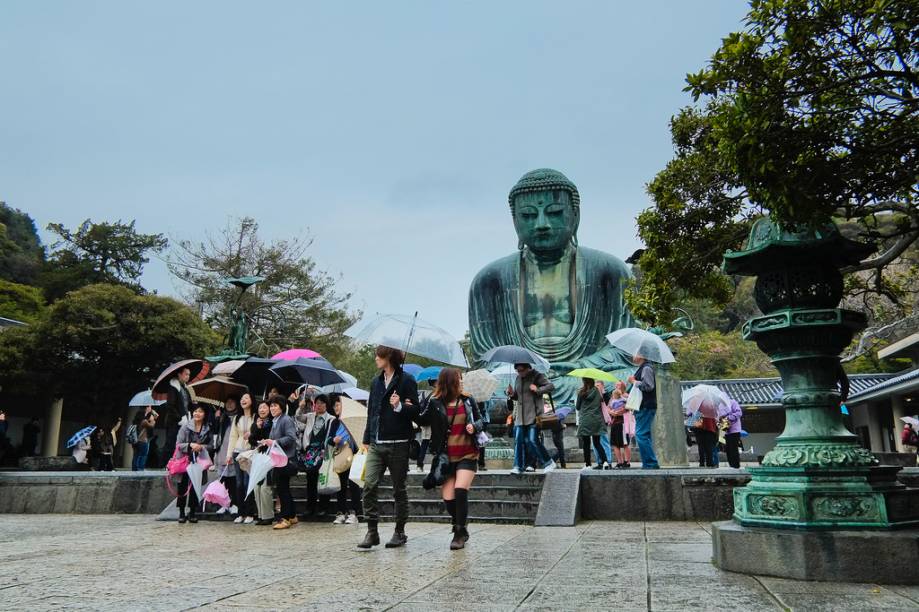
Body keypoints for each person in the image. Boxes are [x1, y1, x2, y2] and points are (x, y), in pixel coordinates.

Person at [359, 346, 421, 550]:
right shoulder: (375, 382)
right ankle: (372, 531)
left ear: (390, 358)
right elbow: (372, 411)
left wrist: (400, 406)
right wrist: (367, 437)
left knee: (398, 489)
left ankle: (399, 531)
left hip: (399, 443)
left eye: (380, 355)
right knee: (369, 484)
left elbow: (417, 412)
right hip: (377, 443)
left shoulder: (407, 380)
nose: (376, 358)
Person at [427, 368, 484, 550]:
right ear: (450, 382)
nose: (461, 382)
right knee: (448, 498)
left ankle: (458, 533)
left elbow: (482, 420)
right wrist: (402, 406)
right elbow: (422, 420)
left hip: (468, 453)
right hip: (446, 457)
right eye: (459, 379)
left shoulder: (468, 400)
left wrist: (474, 426)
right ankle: (460, 523)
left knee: (460, 490)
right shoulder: (435, 403)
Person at [507, 363, 557, 475]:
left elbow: (551, 386)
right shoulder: (518, 378)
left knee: (532, 440)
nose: (520, 373)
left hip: (534, 415)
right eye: (518, 371)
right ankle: (518, 466)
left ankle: (548, 462)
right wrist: (511, 394)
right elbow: (517, 396)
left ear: (528, 368)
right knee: (518, 441)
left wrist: (537, 389)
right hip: (520, 416)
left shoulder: (537, 376)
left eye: (521, 370)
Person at [260, 395, 299, 530]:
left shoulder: (286, 420)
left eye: (275, 405)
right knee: (284, 488)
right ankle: (292, 515)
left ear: (282, 407)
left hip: (286, 460)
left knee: (282, 489)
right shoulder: (275, 421)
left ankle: (285, 518)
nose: (272, 408)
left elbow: (291, 437)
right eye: (271, 406)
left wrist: (275, 442)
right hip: (278, 460)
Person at [301, 394, 336, 519]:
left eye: (322, 403)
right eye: (317, 403)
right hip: (310, 453)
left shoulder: (331, 419)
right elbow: (298, 418)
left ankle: (323, 508)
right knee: (310, 481)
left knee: (323, 479)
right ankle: (310, 507)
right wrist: (301, 407)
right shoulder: (310, 416)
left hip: (324, 453)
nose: (319, 405)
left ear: (327, 405)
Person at [174, 404, 211, 523]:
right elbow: (178, 444)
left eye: (200, 411)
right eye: (195, 411)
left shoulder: (208, 428)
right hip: (185, 461)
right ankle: (181, 512)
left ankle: (193, 512)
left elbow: (211, 446)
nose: (197, 414)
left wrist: (201, 447)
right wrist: (190, 445)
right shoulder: (185, 427)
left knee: (196, 486)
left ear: (204, 414)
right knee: (182, 486)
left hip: (199, 461)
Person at [329, 394, 361, 525]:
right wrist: (333, 440)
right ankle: (341, 512)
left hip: (353, 456)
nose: (336, 407)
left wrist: (350, 441)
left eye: (338, 404)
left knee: (353, 485)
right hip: (340, 456)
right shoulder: (335, 422)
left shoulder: (353, 420)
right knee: (340, 486)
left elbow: (359, 439)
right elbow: (329, 439)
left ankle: (355, 513)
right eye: (335, 405)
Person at [226, 392, 256, 524]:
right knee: (238, 484)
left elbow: (259, 432)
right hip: (238, 452)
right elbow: (233, 437)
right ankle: (241, 513)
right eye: (242, 398)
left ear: (252, 401)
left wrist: (252, 433)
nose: (243, 400)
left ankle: (250, 513)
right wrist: (229, 454)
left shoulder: (256, 417)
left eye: (246, 398)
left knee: (247, 483)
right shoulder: (237, 418)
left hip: (250, 453)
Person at [628, 354, 659, 469]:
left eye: (636, 353)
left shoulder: (646, 368)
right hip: (643, 406)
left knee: (641, 434)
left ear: (642, 355)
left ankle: (651, 463)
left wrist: (634, 382)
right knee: (644, 435)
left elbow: (649, 386)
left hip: (645, 406)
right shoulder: (643, 368)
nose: (633, 355)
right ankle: (648, 463)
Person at [249, 400, 275, 526]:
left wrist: (262, 433)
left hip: (268, 457)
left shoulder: (272, 423)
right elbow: (252, 441)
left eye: (265, 407)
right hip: (258, 457)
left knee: (265, 487)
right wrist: (257, 429)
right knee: (256, 487)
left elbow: (269, 439)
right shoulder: (255, 424)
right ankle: (260, 515)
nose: (262, 410)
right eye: (260, 408)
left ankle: (268, 515)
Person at [212, 397, 239, 515]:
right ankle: (224, 504)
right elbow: (214, 431)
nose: (229, 404)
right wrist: (217, 418)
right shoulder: (222, 416)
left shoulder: (238, 417)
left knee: (233, 479)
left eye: (232, 402)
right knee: (223, 478)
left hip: (234, 448)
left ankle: (234, 504)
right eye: (227, 402)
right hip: (222, 449)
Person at [576, 379, 609, 470]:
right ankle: (605, 462)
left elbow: (578, 407)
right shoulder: (597, 392)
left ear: (584, 381)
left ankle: (588, 465)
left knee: (586, 444)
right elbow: (603, 403)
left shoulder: (581, 392)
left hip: (585, 420)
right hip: (596, 420)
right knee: (597, 443)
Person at [162, 366, 193, 465]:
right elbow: (170, 406)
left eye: (189, 374)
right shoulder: (173, 386)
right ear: (179, 374)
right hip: (174, 421)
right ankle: (166, 465)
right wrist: (179, 418)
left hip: (184, 422)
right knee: (171, 444)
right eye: (186, 374)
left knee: (180, 444)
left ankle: (177, 464)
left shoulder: (185, 388)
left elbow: (187, 405)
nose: (188, 376)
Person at [608, 385, 632, 469]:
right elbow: (608, 407)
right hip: (614, 422)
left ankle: (627, 462)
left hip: (623, 422)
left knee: (625, 443)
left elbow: (630, 406)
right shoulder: (613, 396)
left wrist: (619, 411)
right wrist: (611, 412)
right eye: (615, 385)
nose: (616, 386)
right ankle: (619, 462)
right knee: (614, 443)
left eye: (618, 385)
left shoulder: (626, 396)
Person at [690, 400, 719, 468]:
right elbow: (715, 419)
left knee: (701, 447)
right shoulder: (711, 408)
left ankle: (702, 463)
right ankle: (710, 463)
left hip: (700, 430)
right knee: (709, 448)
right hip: (709, 430)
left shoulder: (697, 407)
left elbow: (693, 419)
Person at [719, 399, 743, 469]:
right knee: (728, 449)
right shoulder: (719, 405)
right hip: (725, 429)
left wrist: (728, 417)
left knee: (733, 448)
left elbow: (739, 413)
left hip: (734, 430)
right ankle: (731, 465)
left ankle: (736, 466)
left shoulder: (732, 402)